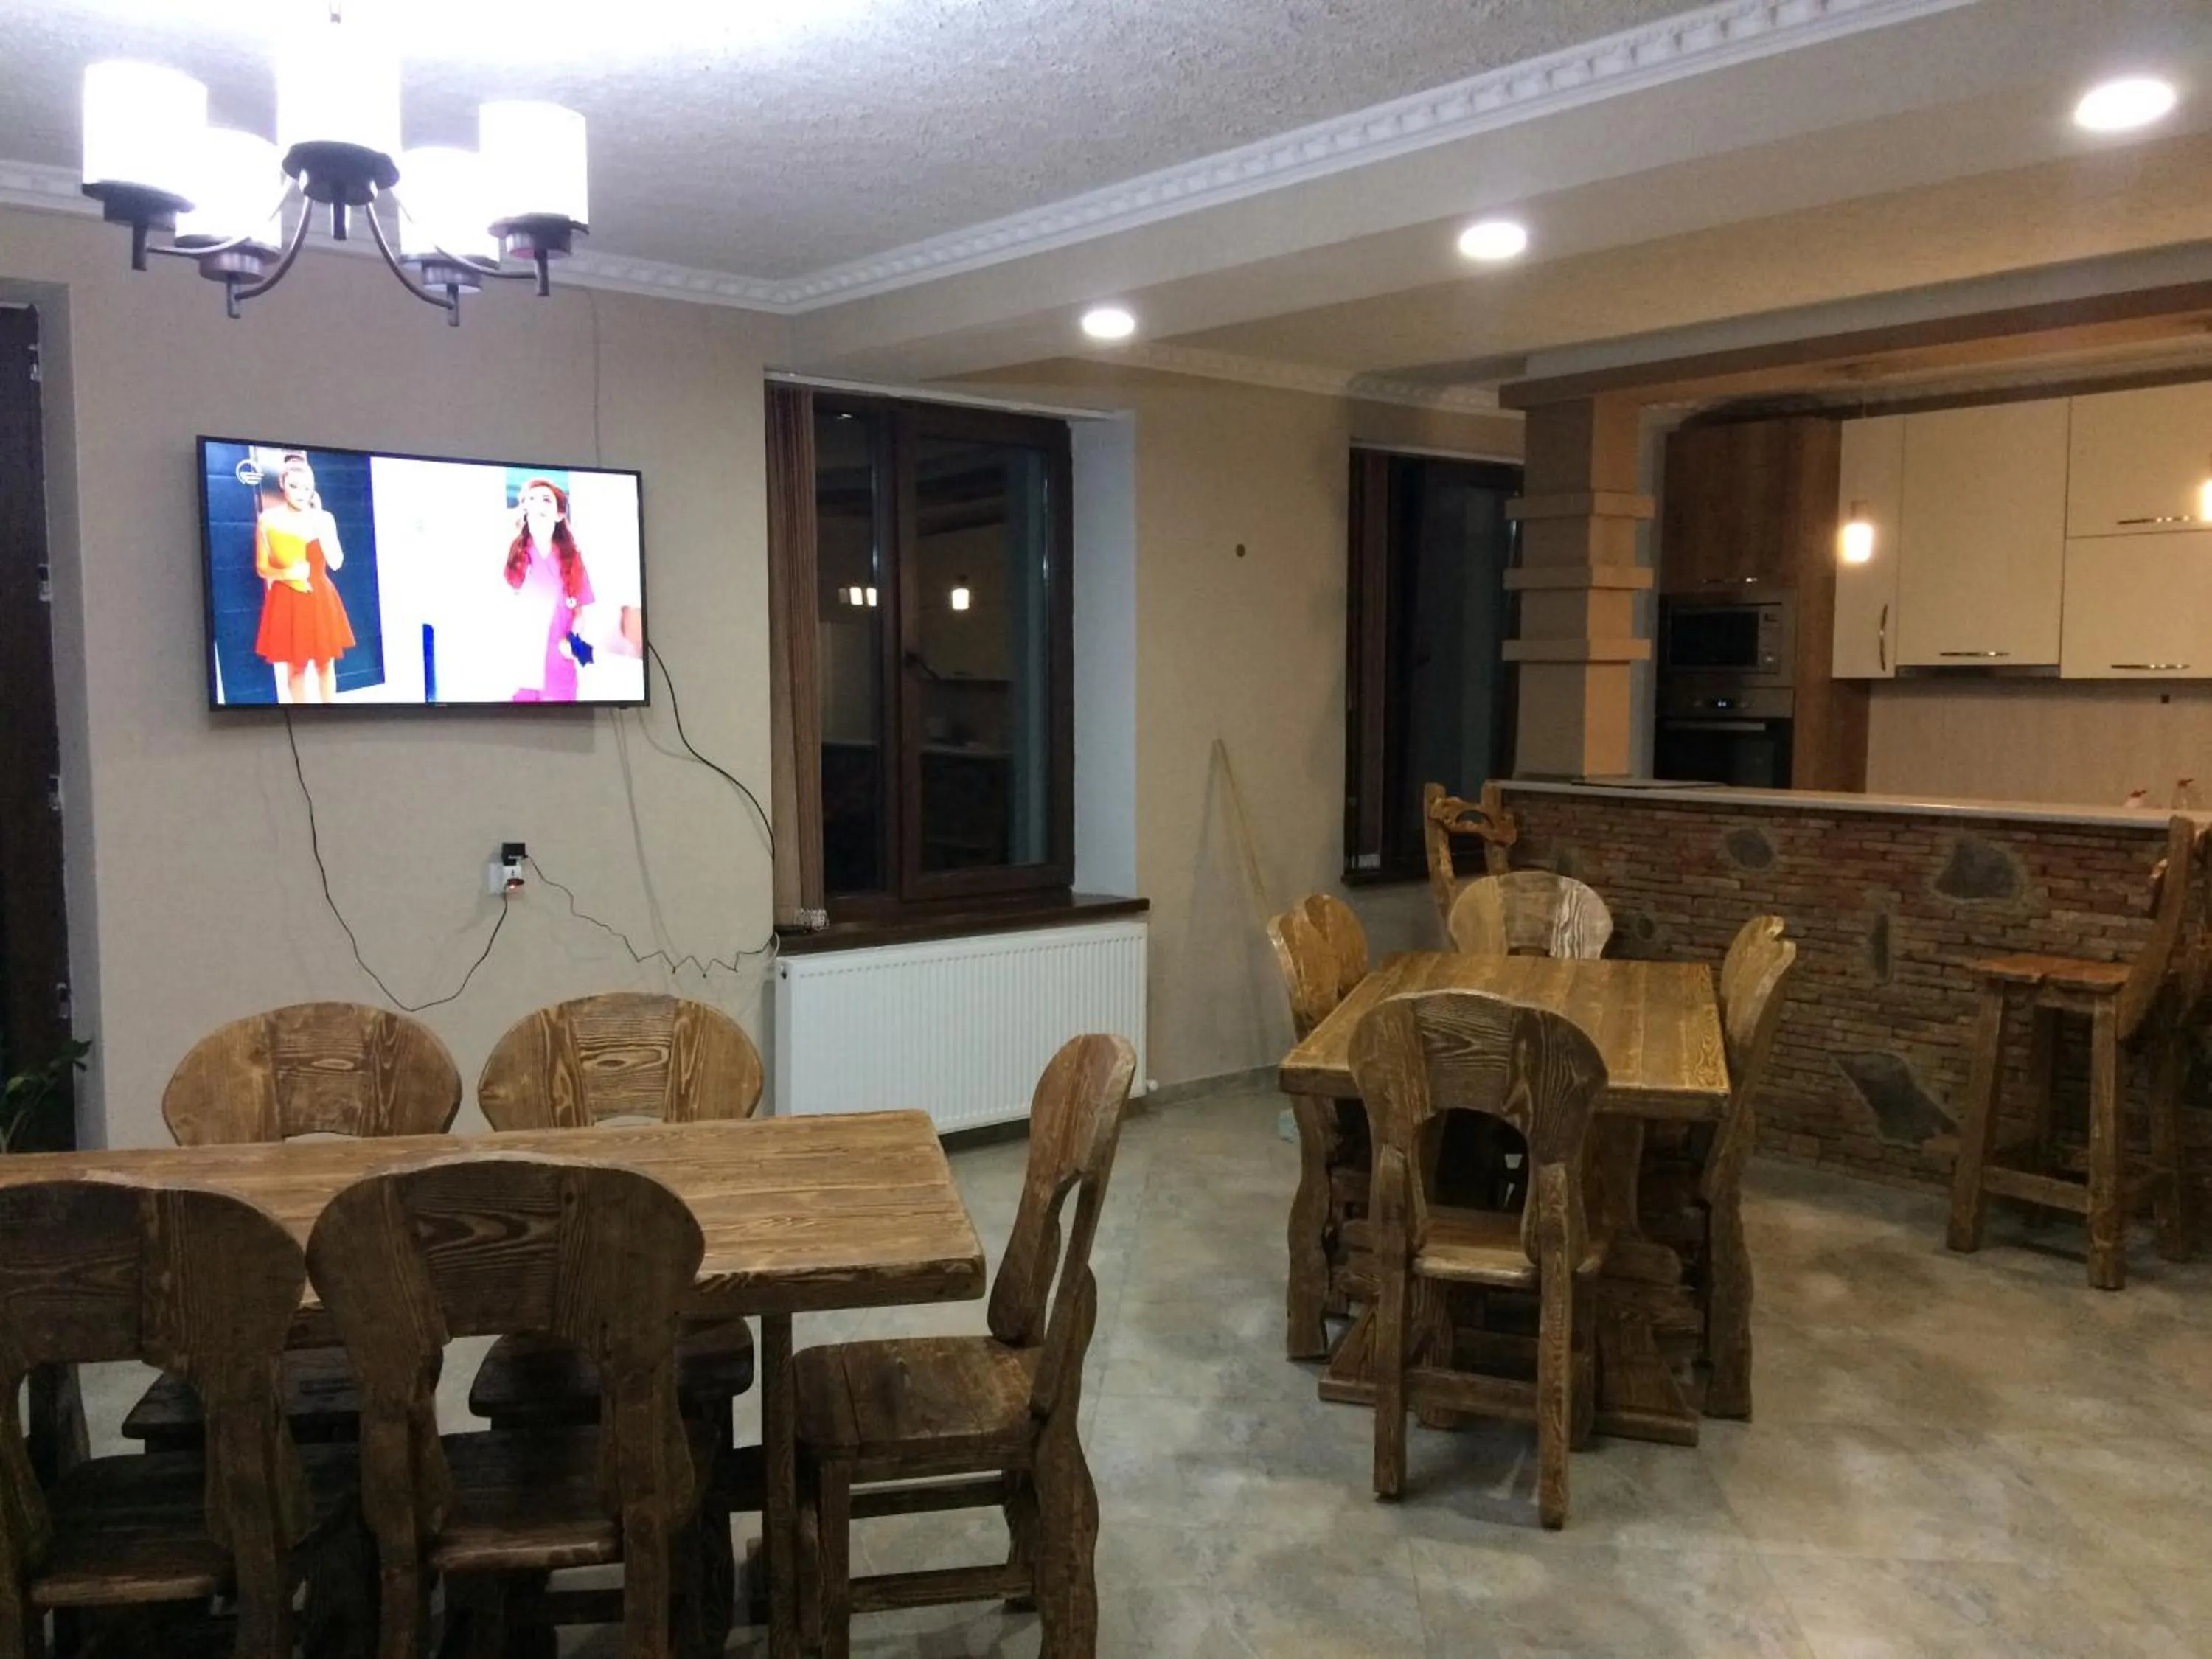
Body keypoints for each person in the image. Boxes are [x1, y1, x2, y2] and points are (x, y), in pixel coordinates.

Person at [254, 453, 355, 703]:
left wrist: (322, 530)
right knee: (296, 668)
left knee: (325, 664)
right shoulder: (267, 521)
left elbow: (337, 563)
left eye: (307, 488)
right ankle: (301, 717)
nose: (301, 493)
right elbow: (261, 568)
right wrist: (285, 574)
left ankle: (329, 715)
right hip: (287, 598)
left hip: (320, 595)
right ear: (282, 484)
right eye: (294, 486)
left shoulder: (324, 518)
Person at [503, 477, 595, 701]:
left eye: (546, 500)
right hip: (520, 661)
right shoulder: (511, 556)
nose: (538, 505)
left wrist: (572, 642)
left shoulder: (572, 560)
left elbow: (580, 613)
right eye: (531, 500)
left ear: (559, 514)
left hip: (558, 664)